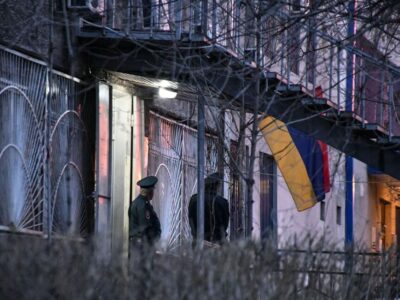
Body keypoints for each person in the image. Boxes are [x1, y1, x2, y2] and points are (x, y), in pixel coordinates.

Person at [188, 172, 229, 244]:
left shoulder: (194, 199)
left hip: (198, 241)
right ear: (217, 186)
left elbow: (191, 219)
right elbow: (225, 223)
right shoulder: (222, 202)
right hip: (217, 243)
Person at [129, 175, 161, 248]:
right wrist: (153, 239)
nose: (153, 193)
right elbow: (145, 227)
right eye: (153, 190)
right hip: (143, 247)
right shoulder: (143, 205)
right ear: (150, 191)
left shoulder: (136, 203)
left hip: (138, 245)